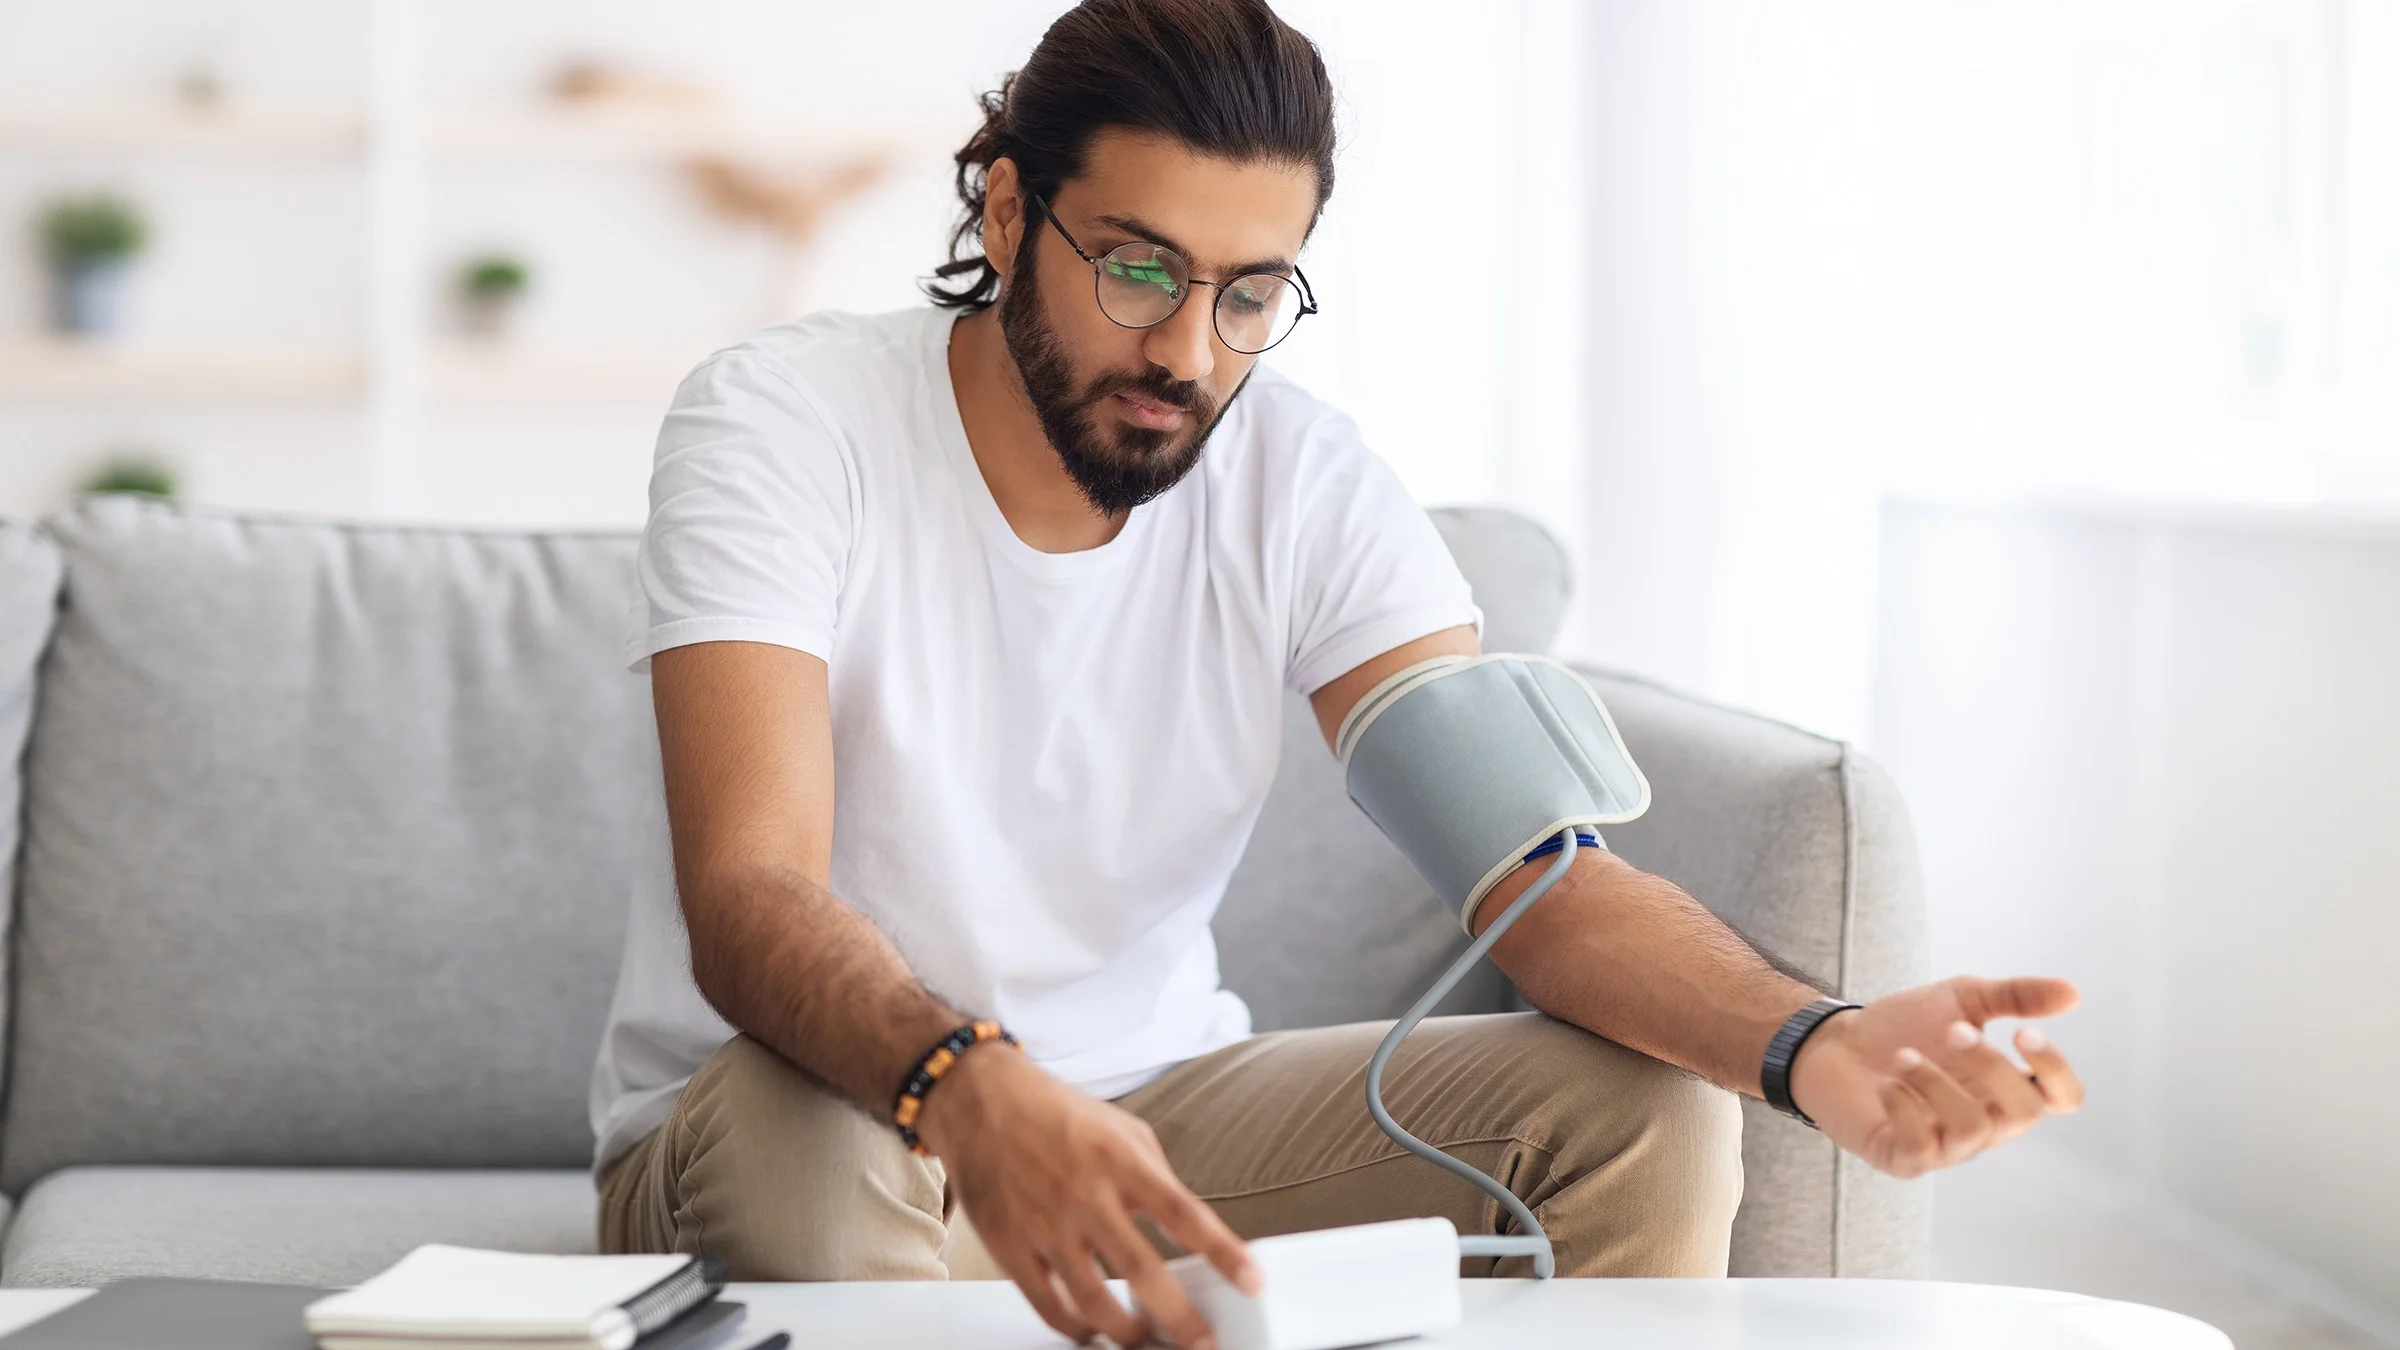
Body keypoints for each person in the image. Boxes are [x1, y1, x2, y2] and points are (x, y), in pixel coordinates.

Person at [589, 2, 2086, 1346]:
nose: (1189, 353)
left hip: (1147, 1107)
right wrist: (970, 1087)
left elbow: (1540, 885)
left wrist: (1813, 1041)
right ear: (1004, 208)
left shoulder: (1302, 482)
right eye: (1138, 269)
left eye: (1250, 293)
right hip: (804, 1108)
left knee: (1646, 1114)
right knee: (828, 1130)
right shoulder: (785, 420)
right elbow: (750, 893)